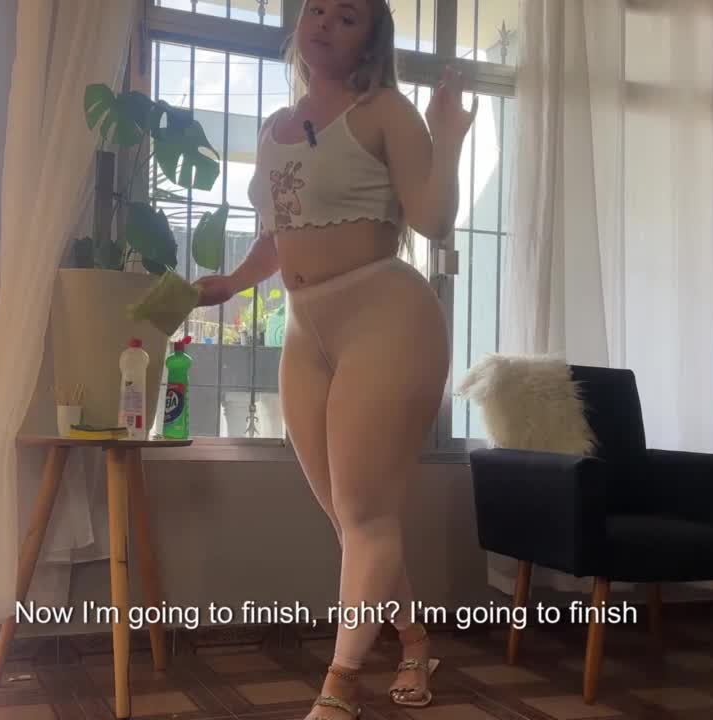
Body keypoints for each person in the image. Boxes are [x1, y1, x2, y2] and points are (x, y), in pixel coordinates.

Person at [192, 0, 476, 717]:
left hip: (386, 314)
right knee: (351, 517)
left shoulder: (384, 111)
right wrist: (231, 283)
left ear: (370, 41)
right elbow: (280, 231)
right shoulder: (275, 126)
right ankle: (414, 642)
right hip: (305, 327)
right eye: (317, 9)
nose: (324, 23)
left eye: (346, 17)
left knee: (364, 510)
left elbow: (435, 220)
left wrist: (446, 137)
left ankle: (339, 688)